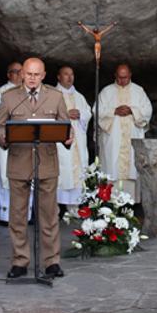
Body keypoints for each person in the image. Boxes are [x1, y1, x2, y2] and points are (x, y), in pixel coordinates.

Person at [0, 57, 72, 279]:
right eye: (28, 74)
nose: (32, 78)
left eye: (36, 75)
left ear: (44, 75)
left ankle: (51, 262)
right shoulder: (9, 98)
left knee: (49, 215)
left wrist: (68, 138)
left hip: (46, 162)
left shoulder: (56, 97)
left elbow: (65, 126)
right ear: (22, 74)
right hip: (19, 162)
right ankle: (20, 261)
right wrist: (4, 138)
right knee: (18, 215)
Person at [96, 64, 153, 200]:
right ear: (115, 76)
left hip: (132, 137)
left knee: (132, 169)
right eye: (120, 77)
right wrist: (114, 111)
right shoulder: (106, 92)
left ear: (130, 75)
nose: (122, 80)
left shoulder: (138, 91)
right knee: (112, 169)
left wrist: (132, 110)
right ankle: (109, 205)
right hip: (113, 140)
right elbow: (97, 112)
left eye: (125, 77)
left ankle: (130, 207)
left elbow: (147, 111)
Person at [0, 61, 24, 224]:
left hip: (25, 140)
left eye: (21, 71)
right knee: (5, 176)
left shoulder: (28, 90)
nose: (19, 74)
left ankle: (25, 215)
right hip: (6, 139)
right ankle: (5, 215)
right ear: (8, 74)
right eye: (15, 71)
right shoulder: (2, 91)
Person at [54, 65, 92, 207]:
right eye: (66, 74)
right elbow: (46, 114)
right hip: (60, 142)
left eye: (72, 74)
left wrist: (80, 114)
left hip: (78, 141)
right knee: (62, 170)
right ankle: (56, 209)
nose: (69, 77)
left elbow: (88, 112)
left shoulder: (79, 96)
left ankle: (74, 209)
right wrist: (65, 115)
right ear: (59, 76)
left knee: (77, 173)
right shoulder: (52, 94)